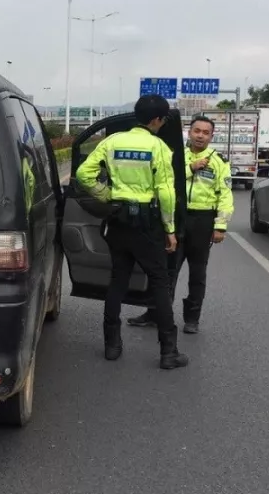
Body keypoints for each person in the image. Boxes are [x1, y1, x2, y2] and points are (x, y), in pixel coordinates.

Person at [75, 94, 189, 370]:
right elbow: (166, 192)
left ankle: (112, 346)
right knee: (160, 282)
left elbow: (83, 174)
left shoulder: (112, 142)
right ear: (156, 120)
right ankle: (169, 351)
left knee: (118, 279)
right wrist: (170, 229)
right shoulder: (159, 147)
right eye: (163, 119)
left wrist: (107, 195)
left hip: (118, 220)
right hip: (147, 224)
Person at [127, 114, 233, 334]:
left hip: (202, 220)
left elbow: (225, 195)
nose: (200, 136)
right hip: (176, 218)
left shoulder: (219, 162)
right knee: (165, 270)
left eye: (206, 133)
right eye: (197, 131)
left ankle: (192, 318)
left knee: (197, 273)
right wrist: (191, 168)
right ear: (189, 132)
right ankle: (155, 314)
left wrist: (220, 226)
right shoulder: (175, 156)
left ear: (212, 136)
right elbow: (166, 180)